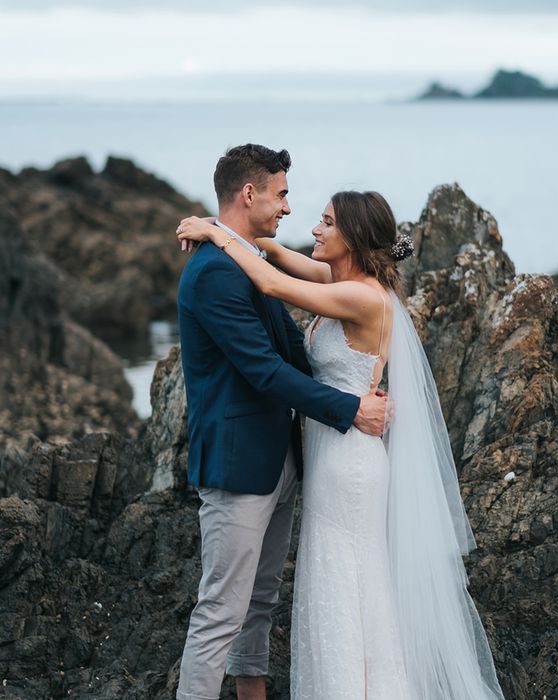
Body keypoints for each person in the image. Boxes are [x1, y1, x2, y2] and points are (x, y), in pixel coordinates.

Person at [176, 190, 506, 698]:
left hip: (348, 461)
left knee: (343, 581)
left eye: (326, 223)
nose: (314, 229)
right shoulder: (340, 280)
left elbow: (268, 281)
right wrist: (227, 226)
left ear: (351, 237)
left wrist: (215, 233)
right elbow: (274, 255)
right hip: (333, 451)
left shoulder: (361, 296)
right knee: (349, 582)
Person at [175, 144, 389, 700]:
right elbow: (266, 371)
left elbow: (291, 340)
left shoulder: (246, 257)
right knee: (221, 609)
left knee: (262, 600)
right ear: (251, 194)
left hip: (284, 460)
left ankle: (251, 692)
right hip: (239, 463)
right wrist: (348, 406)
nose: (291, 210)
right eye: (284, 194)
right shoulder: (215, 273)